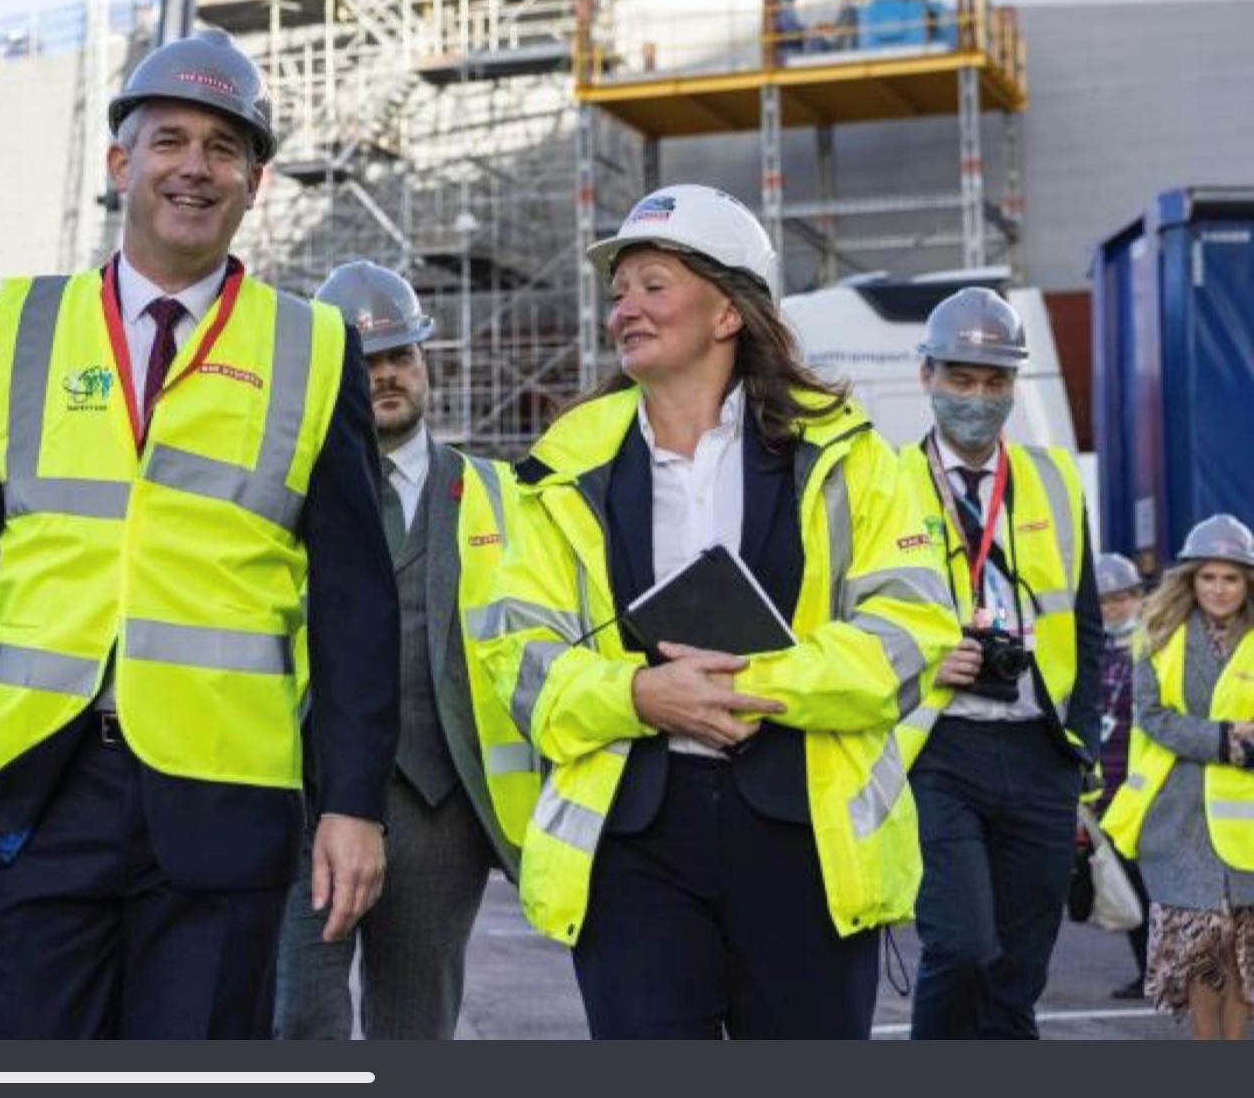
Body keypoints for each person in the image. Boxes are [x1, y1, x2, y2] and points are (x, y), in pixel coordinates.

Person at [0, 28, 400, 1039]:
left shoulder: (314, 348)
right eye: (170, 140)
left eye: (224, 148)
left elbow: (355, 598)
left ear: (255, 183)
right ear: (122, 163)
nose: (194, 168)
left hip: (224, 798)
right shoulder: (16, 327)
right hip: (40, 784)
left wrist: (353, 802)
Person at [482, 184, 959, 1039]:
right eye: (619, 290)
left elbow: (912, 635)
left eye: (653, 284)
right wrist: (641, 697)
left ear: (729, 311)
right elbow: (514, 655)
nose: (625, 306)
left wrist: (749, 682)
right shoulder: (557, 472)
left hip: (805, 839)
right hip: (636, 840)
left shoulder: (850, 458)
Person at [274, 259, 530, 1040]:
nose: (385, 376)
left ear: (424, 363)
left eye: (399, 356)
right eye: (363, 363)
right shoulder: (284, 491)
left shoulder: (496, 492)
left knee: (417, 1030)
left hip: (436, 807)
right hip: (307, 798)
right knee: (300, 1022)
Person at [899, 286, 1103, 1039]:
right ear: (926, 376)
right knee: (960, 945)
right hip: (940, 747)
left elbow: (1085, 627)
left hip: (1037, 748)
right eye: (961, 378)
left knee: (1019, 969)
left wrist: (1077, 743)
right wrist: (927, 658)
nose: (978, 398)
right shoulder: (885, 483)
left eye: (995, 381)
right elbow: (847, 621)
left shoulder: (1053, 480)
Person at [1101, 514, 1254, 1042]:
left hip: (1245, 830)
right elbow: (1153, 717)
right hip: (1178, 822)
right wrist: (1224, 739)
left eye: (1230, 578)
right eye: (1208, 577)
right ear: (1190, 579)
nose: (1219, 588)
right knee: (1203, 952)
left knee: (1241, 956)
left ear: (1246, 583)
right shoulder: (1158, 634)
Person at [1088, 551, 1151, 998]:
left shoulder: (1153, 647)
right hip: (1108, 790)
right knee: (1127, 884)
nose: (1113, 608)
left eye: (1121, 599)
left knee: (1165, 887)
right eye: (1105, 601)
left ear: (1137, 598)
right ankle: (1147, 970)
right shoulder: (1091, 650)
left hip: (1149, 788)